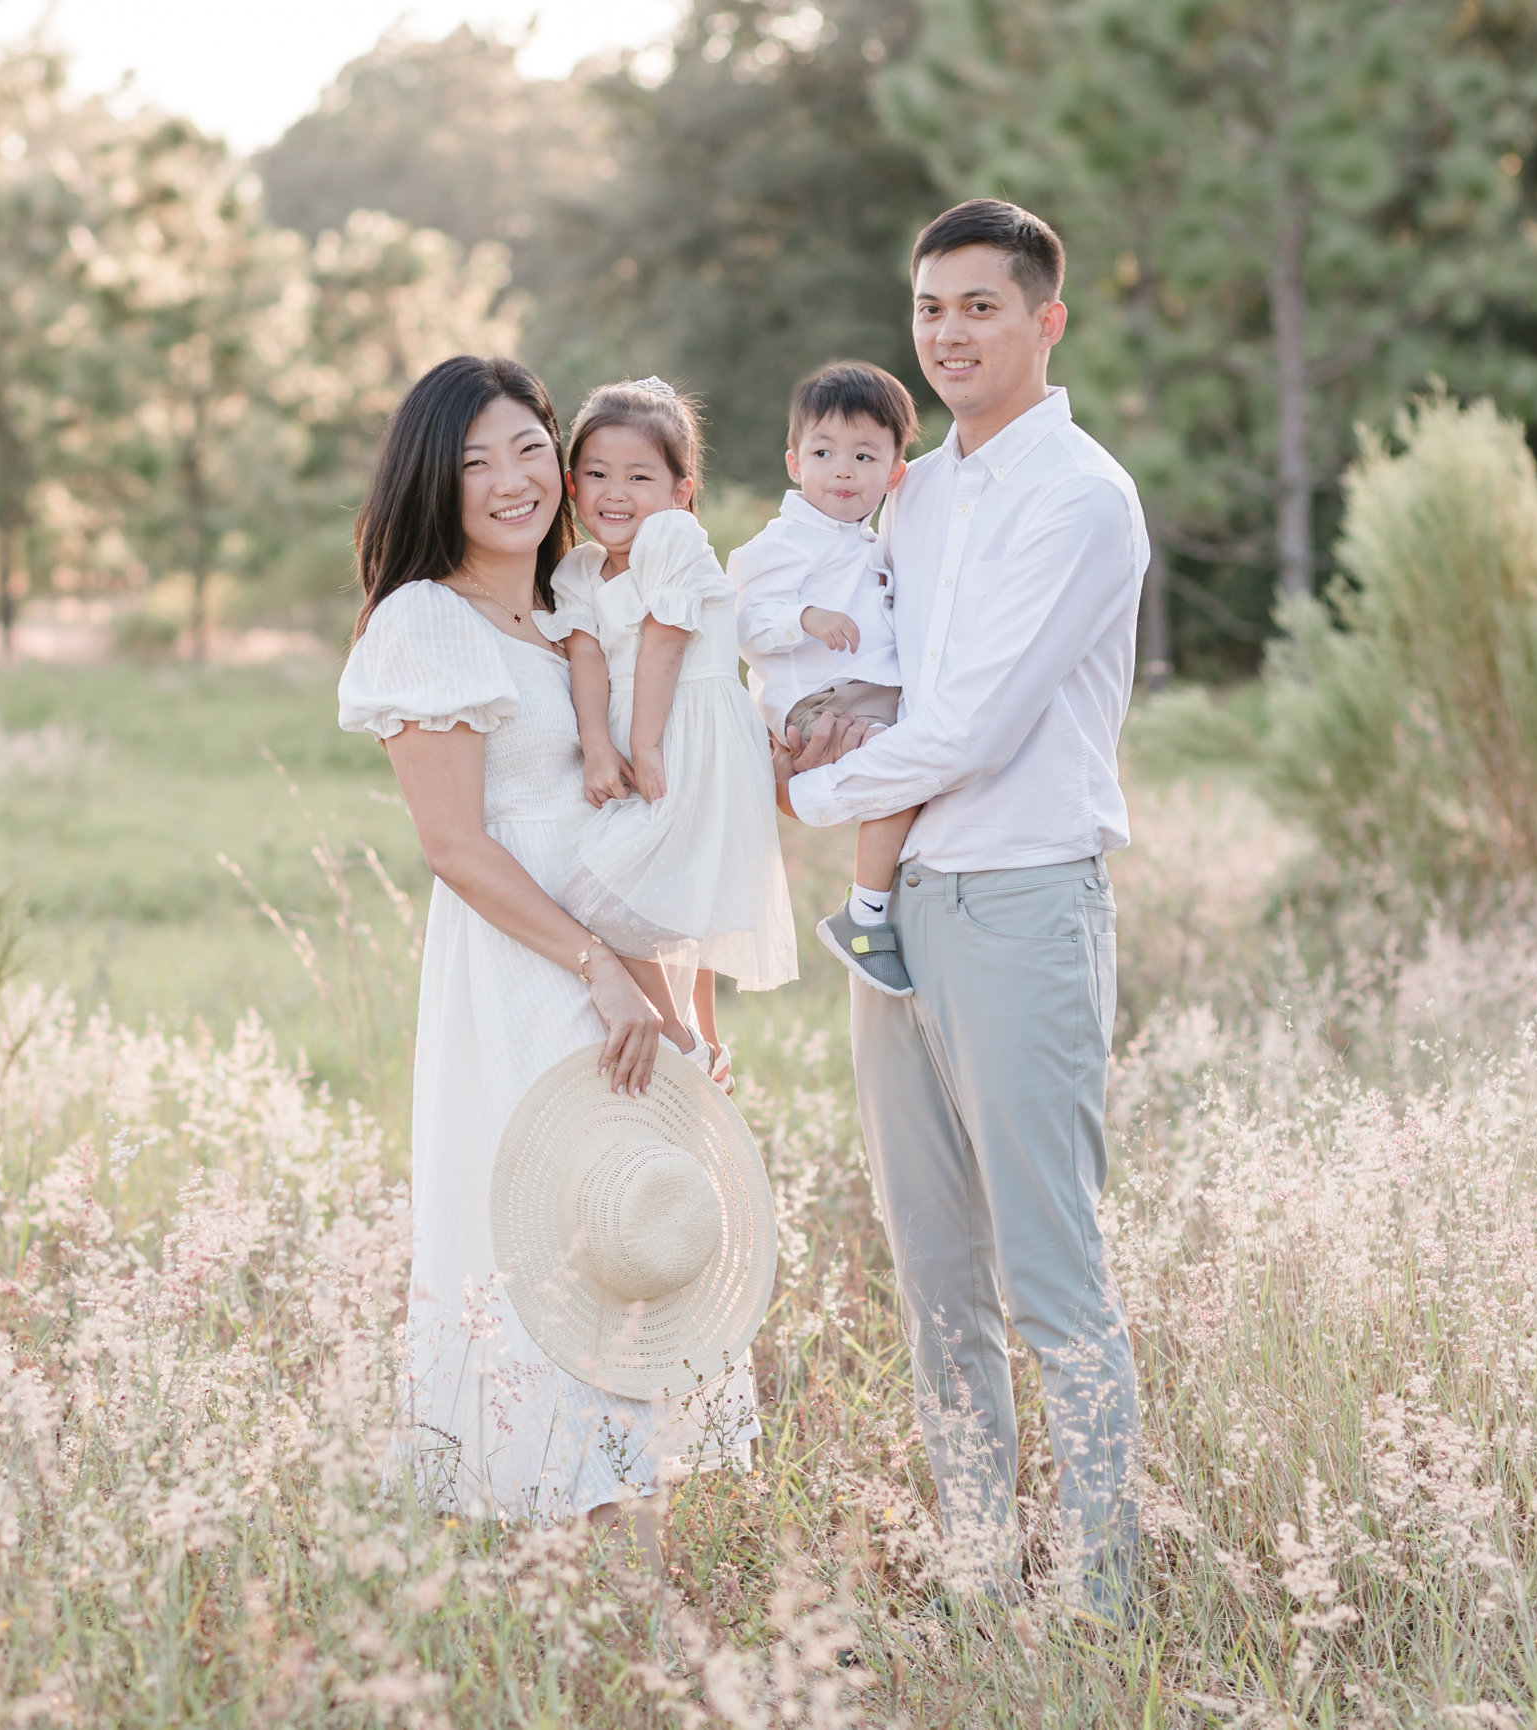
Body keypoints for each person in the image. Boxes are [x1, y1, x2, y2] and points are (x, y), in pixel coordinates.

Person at [777, 201, 1152, 1612]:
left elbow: (975, 724)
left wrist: (803, 802)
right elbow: (874, 675)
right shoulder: (909, 491)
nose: (946, 332)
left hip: (1017, 902)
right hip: (901, 912)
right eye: (929, 307)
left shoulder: (1080, 498)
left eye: (978, 306)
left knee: (1049, 1274)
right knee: (933, 1272)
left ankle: (1098, 1598)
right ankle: (978, 1577)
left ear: (1044, 319)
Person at [335, 355, 757, 1569]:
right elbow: (456, 846)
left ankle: (631, 1588)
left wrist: (688, 994)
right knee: (545, 1249)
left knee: (638, 1244)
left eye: (529, 447)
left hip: (631, 976)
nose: (513, 480)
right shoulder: (429, 620)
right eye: (474, 460)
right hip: (532, 979)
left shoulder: (584, 610)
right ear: (434, 480)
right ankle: (558, 1582)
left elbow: (659, 828)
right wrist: (595, 967)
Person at [540, 378, 798, 1079]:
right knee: (663, 896)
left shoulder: (672, 538)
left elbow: (664, 640)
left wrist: (644, 744)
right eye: (595, 474)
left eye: (639, 476)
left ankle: (680, 1040)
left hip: (690, 735)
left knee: (601, 890)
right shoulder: (579, 570)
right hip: (632, 737)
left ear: (682, 490)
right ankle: (703, 1046)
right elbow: (585, 658)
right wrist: (599, 746)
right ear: (570, 484)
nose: (614, 492)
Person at [729, 360, 923, 998]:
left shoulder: (876, 542)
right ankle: (866, 914)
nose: (843, 469)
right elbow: (746, 621)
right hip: (819, 704)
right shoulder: (786, 541)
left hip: (871, 696)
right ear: (794, 464)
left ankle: (874, 904)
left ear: (894, 474)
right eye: (824, 451)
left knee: (918, 773)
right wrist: (804, 618)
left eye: (865, 455)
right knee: (906, 771)